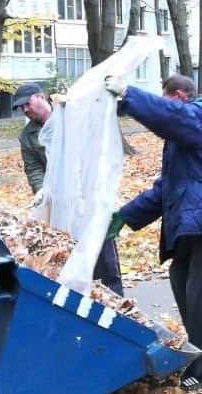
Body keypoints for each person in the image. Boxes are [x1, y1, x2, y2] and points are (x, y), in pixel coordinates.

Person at [105, 72, 202, 390]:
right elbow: (167, 187)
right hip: (195, 218)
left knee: (201, 293)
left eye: (165, 98)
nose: (165, 105)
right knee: (182, 279)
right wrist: (126, 216)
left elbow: (169, 117)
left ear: (178, 96)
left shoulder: (201, 116)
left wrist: (130, 95)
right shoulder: (187, 131)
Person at [11, 81, 124, 295]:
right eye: (21, 108)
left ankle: (116, 298)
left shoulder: (71, 112)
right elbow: (33, 167)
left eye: (27, 103)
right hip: (61, 203)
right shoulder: (27, 136)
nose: (25, 110)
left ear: (41, 97)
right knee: (71, 252)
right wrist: (40, 189)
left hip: (89, 194)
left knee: (102, 249)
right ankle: (86, 300)